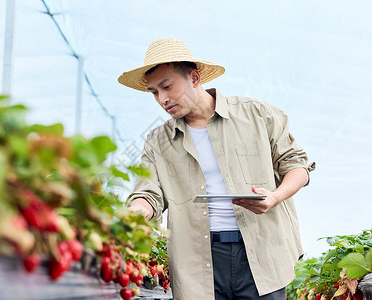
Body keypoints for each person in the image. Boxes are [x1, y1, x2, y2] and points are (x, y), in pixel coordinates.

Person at [117, 38, 315, 300]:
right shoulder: (158, 141)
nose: (162, 99)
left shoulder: (257, 114)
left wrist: (275, 197)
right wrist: (135, 214)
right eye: (154, 92)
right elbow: (148, 193)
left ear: (195, 78)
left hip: (261, 251)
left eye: (167, 86)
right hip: (197, 260)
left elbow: (298, 166)